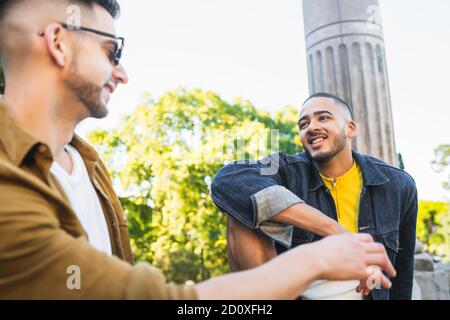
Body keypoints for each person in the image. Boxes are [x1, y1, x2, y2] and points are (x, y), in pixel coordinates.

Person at [0, 0, 395, 299]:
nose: (122, 73)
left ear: (351, 128)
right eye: (112, 51)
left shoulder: (89, 167)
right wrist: (320, 258)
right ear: (58, 43)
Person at [211, 92, 418, 300]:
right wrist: (336, 231)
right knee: (242, 208)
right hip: (296, 293)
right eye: (303, 124)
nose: (311, 127)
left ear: (350, 129)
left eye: (323, 117)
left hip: (362, 294)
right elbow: (228, 179)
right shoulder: (287, 171)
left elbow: (401, 275)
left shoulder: (398, 185)